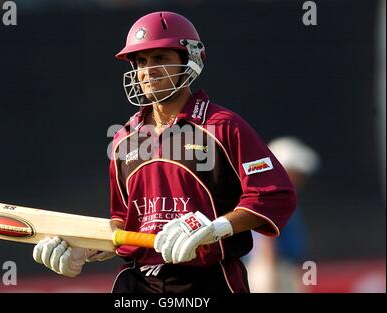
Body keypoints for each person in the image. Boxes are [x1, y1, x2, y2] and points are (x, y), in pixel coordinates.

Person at [32, 11, 297, 293]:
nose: (148, 71)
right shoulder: (124, 139)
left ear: (190, 61)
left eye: (160, 59)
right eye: (141, 62)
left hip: (207, 279)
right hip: (137, 282)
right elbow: (124, 219)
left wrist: (216, 227)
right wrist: (86, 250)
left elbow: (274, 195)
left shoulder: (223, 126)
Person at [245, 137, 320, 292]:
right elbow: (266, 241)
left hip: (278, 269)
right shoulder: (272, 198)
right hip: (272, 270)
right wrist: (269, 277)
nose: (300, 179)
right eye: (297, 173)